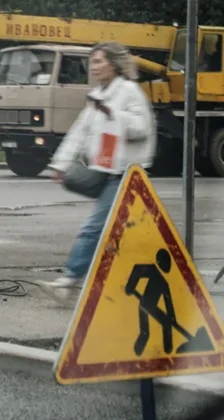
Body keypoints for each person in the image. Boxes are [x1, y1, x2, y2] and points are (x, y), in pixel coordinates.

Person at [39, 41, 157, 306]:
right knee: (121, 232)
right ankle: (132, 286)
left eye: (98, 61)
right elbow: (79, 131)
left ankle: (68, 282)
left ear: (113, 64)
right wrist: (60, 164)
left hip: (126, 173)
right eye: (91, 62)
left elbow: (142, 128)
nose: (93, 67)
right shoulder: (97, 94)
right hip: (104, 169)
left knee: (93, 227)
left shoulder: (129, 91)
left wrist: (114, 114)